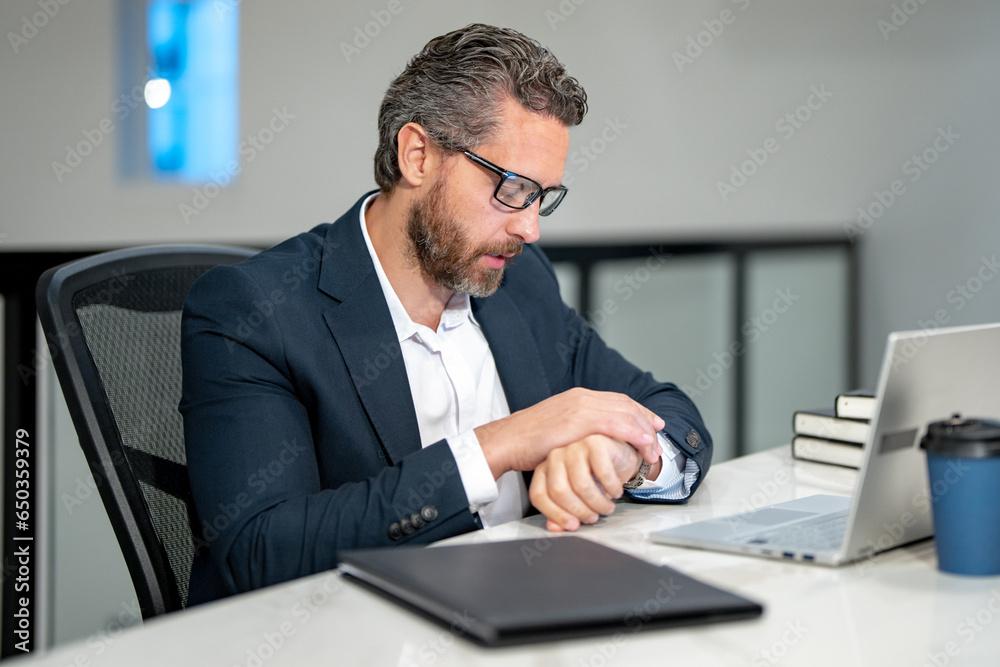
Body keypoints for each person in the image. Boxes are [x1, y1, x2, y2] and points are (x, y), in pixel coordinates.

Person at [180, 23, 712, 604]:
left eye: (542, 197)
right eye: (511, 188)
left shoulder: (519, 283)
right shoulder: (256, 311)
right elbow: (261, 552)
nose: (529, 228)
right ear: (418, 156)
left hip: (523, 611)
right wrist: (503, 444)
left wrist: (619, 455)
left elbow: (669, 414)